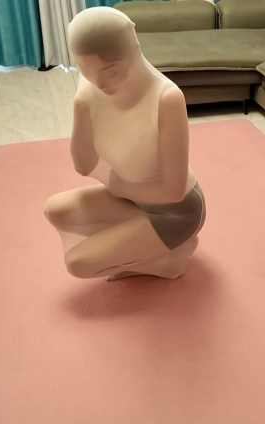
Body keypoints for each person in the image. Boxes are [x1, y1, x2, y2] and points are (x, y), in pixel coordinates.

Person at [44, 7, 206, 282]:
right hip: (132, 201)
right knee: (55, 210)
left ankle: (166, 259)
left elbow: (175, 191)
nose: (99, 82)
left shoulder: (166, 98)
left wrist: (120, 188)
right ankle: (149, 248)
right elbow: (83, 166)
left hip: (176, 213)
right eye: (86, 70)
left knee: (78, 264)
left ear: (133, 54)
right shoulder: (92, 84)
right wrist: (80, 107)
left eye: (111, 71)